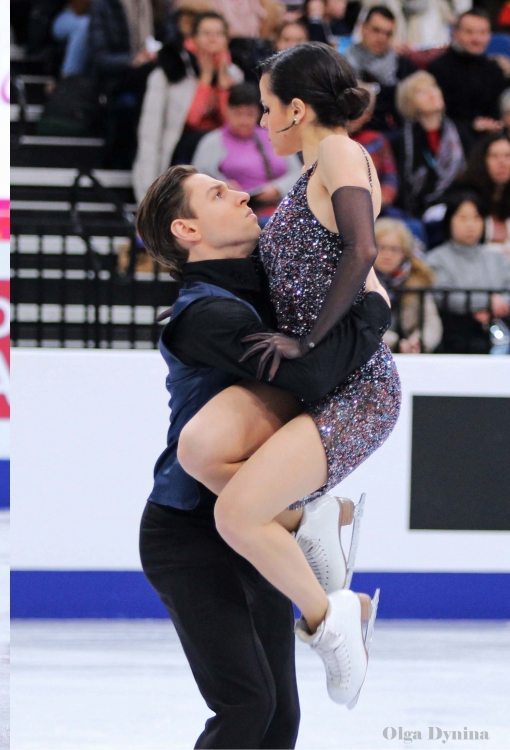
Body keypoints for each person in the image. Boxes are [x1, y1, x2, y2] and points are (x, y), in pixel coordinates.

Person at [176, 42, 401, 708]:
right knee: (199, 449)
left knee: (236, 515)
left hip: (355, 385)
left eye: (270, 106)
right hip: (322, 374)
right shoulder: (307, 176)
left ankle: (336, 622)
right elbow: (340, 259)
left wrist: (307, 337)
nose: (266, 119)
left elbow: (362, 250)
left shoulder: (335, 151)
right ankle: (313, 518)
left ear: (298, 108)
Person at [136, 165, 390, 746]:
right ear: (187, 229)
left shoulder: (270, 279)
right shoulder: (205, 313)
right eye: (218, 194)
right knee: (247, 706)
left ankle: (306, 521)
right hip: (190, 537)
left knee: (280, 721)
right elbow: (311, 373)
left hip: (255, 530)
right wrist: (375, 310)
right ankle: (312, 542)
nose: (243, 193)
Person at [132, 11, 244, 199]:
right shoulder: (167, 74)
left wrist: (223, 81)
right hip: (179, 153)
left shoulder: (234, 75)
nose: (213, 39)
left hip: (223, 156)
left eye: (219, 34)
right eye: (207, 33)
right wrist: (206, 80)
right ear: (192, 39)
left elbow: (234, 124)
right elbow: (187, 121)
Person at [192, 82, 302, 220]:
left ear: (258, 113)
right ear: (227, 111)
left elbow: (298, 173)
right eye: (238, 114)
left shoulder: (273, 136)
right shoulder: (212, 142)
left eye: (249, 114)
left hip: (281, 209)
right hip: (235, 214)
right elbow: (198, 180)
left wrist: (277, 188)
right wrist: (222, 187)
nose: (244, 121)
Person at [427, 191, 510, 352]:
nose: (470, 225)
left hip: (499, 326)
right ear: (449, 221)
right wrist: (487, 303)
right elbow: (446, 296)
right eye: (463, 218)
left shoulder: (497, 257)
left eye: (477, 218)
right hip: (454, 334)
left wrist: (497, 307)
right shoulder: (435, 259)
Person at [88, 0, 159, 167]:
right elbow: (99, 58)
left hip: (155, 76)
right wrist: (133, 60)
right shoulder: (104, 5)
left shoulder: (159, 5)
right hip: (119, 80)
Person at [392, 71, 468, 218]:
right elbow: (403, 185)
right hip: (416, 210)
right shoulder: (402, 141)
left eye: (433, 87)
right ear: (409, 102)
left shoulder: (461, 132)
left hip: (457, 206)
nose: (432, 94)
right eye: (422, 92)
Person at [426, 9, 508, 143]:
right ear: (456, 33)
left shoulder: (496, 69)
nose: (476, 39)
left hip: (494, 144)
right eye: (469, 32)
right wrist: (471, 125)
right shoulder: (438, 69)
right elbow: (434, 117)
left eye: (482, 33)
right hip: (452, 142)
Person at [374, 218, 443, 353]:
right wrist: (396, 342)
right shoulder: (359, 282)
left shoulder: (417, 281)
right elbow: (359, 326)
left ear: (405, 253)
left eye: (395, 249)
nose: (387, 254)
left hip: (410, 355)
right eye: (381, 247)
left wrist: (419, 342)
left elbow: (431, 324)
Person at [343, 5, 416, 132]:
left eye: (388, 33)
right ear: (363, 28)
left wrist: (374, 90)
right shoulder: (345, 63)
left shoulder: (401, 63)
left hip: (399, 131)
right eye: (376, 30)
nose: (382, 38)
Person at [447, 132, 510, 244]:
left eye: (507, 156)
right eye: (494, 156)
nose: (502, 163)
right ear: (482, 160)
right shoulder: (464, 194)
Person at [348, 84, 399, 209]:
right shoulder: (324, 140)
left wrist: (383, 197)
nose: (353, 115)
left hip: (376, 205)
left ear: (368, 116)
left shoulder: (375, 140)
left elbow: (390, 176)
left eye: (361, 111)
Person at [52, 0, 93, 77]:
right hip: (70, 16)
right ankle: (69, 78)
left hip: (102, 19)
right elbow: (79, 10)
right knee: (84, 25)